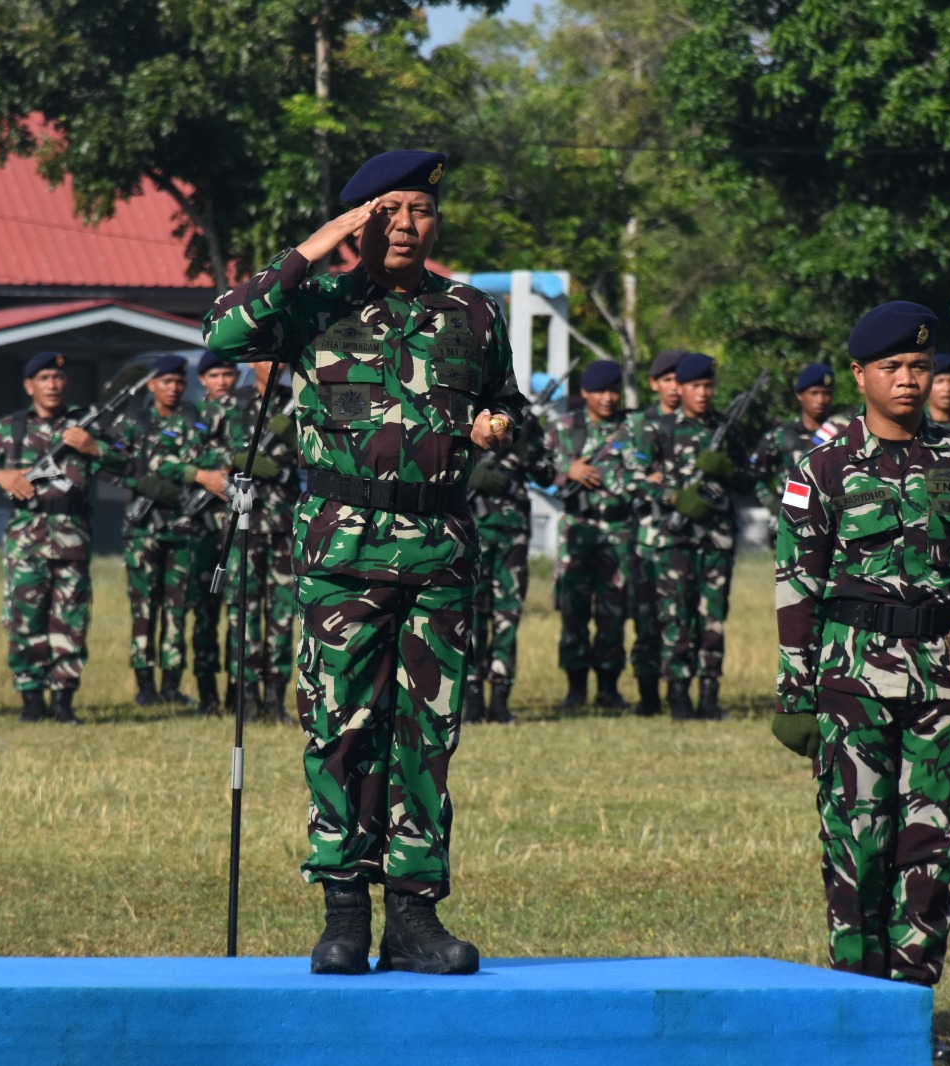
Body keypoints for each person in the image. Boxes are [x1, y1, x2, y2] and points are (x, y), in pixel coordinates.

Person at [202, 149, 522, 976]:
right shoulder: (314, 305)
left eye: (420, 210)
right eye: (387, 212)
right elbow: (224, 331)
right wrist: (313, 247)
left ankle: (414, 918)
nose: (407, 226)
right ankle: (342, 911)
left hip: (440, 554)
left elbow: (504, 404)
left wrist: (496, 426)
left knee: (427, 737)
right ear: (358, 224)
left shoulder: (473, 314)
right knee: (340, 729)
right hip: (342, 555)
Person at [771, 302, 950, 1066]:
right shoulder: (824, 463)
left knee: (932, 845)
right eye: (892, 369)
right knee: (859, 841)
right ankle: (856, 1007)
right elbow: (795, 582)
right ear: (860, 376)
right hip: (851, 677)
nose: (909, 380)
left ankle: (909, 1016)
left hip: (946, 678)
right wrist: (794, 692)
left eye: (920, 367)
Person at [0, 351, 129, 724]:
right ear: (29, 386)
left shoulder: (82, 428)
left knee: (70, 621)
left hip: (72, 539)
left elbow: (128, 464)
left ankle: (64, 700)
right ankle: (31, 699)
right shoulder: (9, 428)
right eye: (43, 378)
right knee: (25, 620)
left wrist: (93, 448)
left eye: (57, 377)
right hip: (26, 542)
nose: (52, 385)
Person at [625, 353, 753, 719]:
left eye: (708, 386)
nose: (703, 393)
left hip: (717, 538)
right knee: (675, 619)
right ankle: (678, 697)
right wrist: (674, 497)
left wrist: (727, 469)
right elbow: (632, 477)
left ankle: (710, 698)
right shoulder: (659, 429)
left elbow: (749, 478)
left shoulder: (728, 431)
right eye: (695, 386)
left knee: (712, 619)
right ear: (679, 388)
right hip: (674, 539)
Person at [107, 353, 229, 710]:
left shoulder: (194, 420)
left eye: (178, 382)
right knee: (145, 607)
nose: (174, 388)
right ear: (151, 385)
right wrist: (140, 482)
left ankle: (172, 683)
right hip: (143, 529)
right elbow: (109, 461)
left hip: (183, 527)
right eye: (166, 382)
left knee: (177, 608)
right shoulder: (134, 422)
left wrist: (193, 473)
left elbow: (213, 457)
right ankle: (145, 684)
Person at [545, 359, 642, 711]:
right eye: (600, 391)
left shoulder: (631, 429)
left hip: (618, 530)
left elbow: (646, 466)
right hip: (577, 529)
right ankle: (575, 690)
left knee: (613, 613)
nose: (608, 398)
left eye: (613, 391)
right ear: (584, 392)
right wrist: (566, 471)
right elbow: (538, 468)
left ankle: (609, 689)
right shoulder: (565, 427)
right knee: (573, 611)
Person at [464, 403, 555, 723]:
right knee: (472, 614)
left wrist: (526, 440)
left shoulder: (523, 424)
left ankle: (501, 697)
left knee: (507, 613)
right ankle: (472, 696)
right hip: (471, 528)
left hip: (512, 534)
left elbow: (548, 474)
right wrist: (473, 475)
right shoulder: (466, 412)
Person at [222, 358, 301, 722]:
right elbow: (198, 447)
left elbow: (324, 455)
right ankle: (247, 697)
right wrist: (235, 459)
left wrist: (293, 437)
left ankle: (275, 697)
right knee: (244, 611)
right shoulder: (230, 404)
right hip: (244, 523)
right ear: (252, 362)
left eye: (282, 357)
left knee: (284, 614)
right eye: (269, 356)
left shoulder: (301, 402)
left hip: (284, 522)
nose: (277, 364)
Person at [628, 349, 685, 715]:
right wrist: (663, 487)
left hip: (687, 539)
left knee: (683, 617)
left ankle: (681, 694)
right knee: (648, 618)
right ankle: (648, 697)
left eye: (682, 380)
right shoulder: (640, 424)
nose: (676, 388)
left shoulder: (699, 424)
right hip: (649, 539)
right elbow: (631, 474)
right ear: (654, 384)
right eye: (668, 380)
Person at [193, 350, 242, 714]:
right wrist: (207, 473)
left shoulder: (247, 415)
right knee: (205, 612)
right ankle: (207, 695)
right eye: (214, 375)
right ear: (202, 381)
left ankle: (237, 695)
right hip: (201, 527)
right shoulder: (192, 418)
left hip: (238, 527)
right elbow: (177, 458)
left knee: (238, 612)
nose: (222, 381)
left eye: (227, 374)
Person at [751, 363, 836, 530]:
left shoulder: (841, 433)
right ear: (800, 395)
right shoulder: (780, 436)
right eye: (814, 393)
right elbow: (755, 477)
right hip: (791, 526)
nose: (820, 400)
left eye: (826, 393)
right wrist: (774, 504)